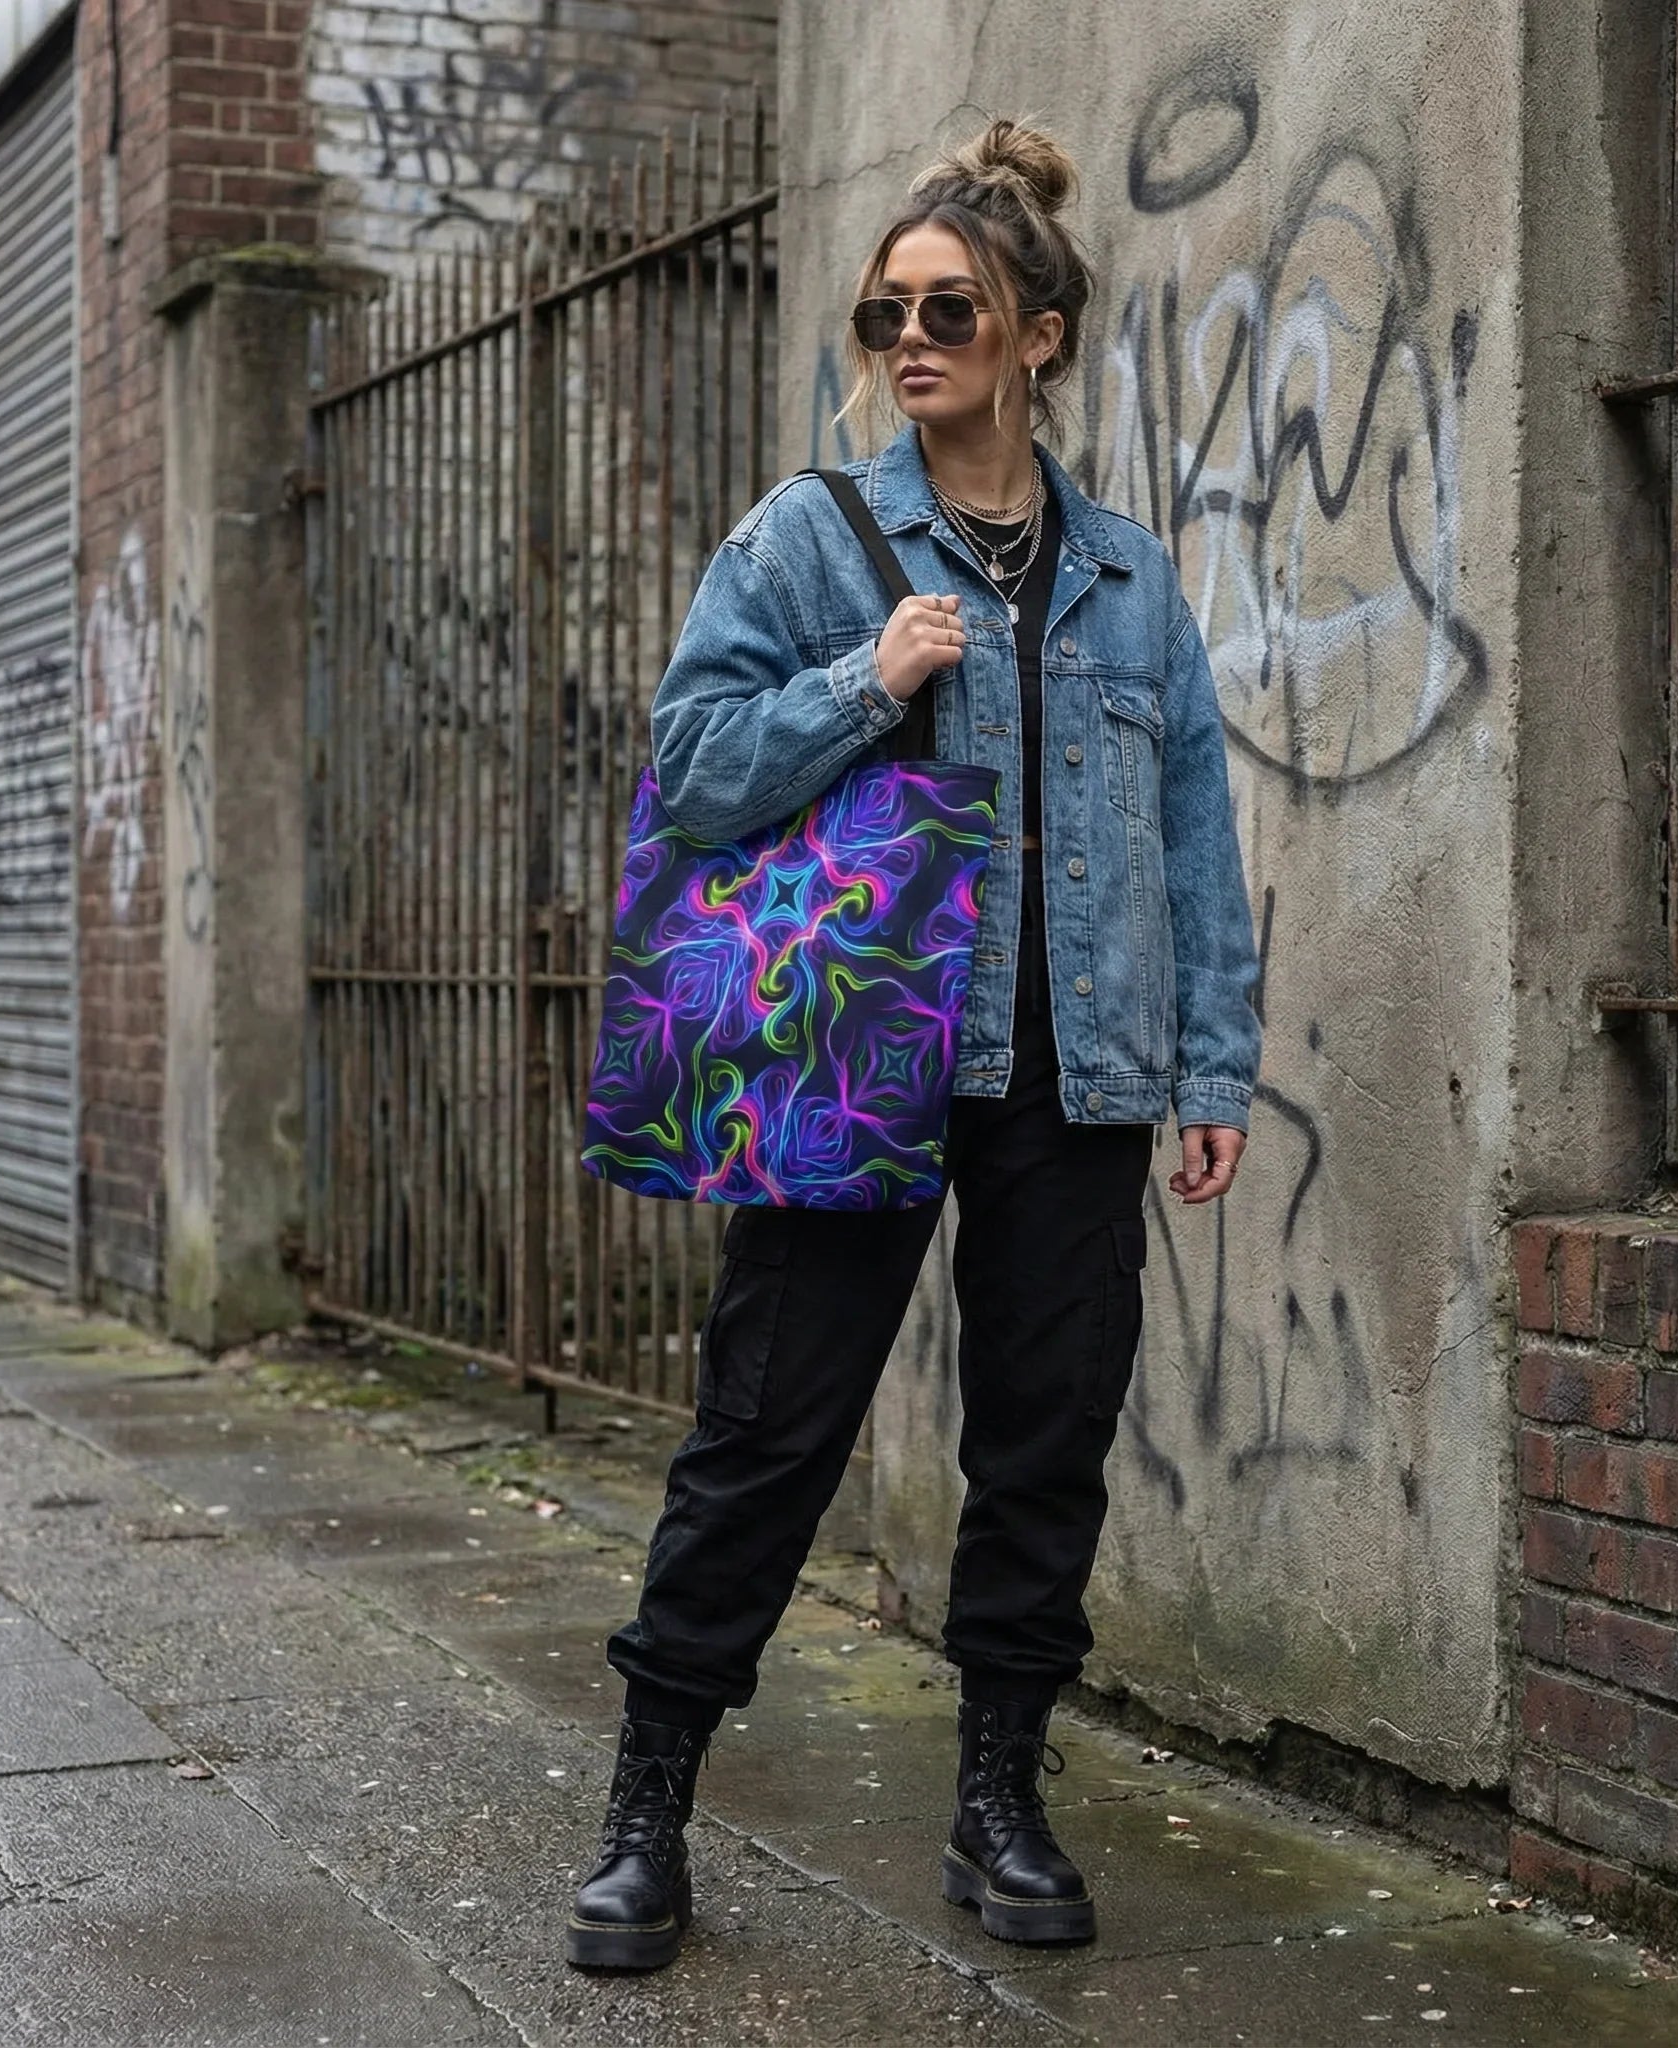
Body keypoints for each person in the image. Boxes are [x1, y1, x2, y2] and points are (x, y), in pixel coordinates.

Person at [564, 119, 1262, 1973]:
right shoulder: (815, 538)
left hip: (1076, 1070)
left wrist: (1210, 1071)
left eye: (950, 306)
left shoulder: (1123, 578)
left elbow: (1195, 831)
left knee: (1044, 1448)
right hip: (852, 1063)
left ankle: (998, 1802)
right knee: (764, 1435)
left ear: (1037, 332)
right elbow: (693, 771)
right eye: (886, 312)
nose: (911, 337)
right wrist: (867, 676)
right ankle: (648, 1805)